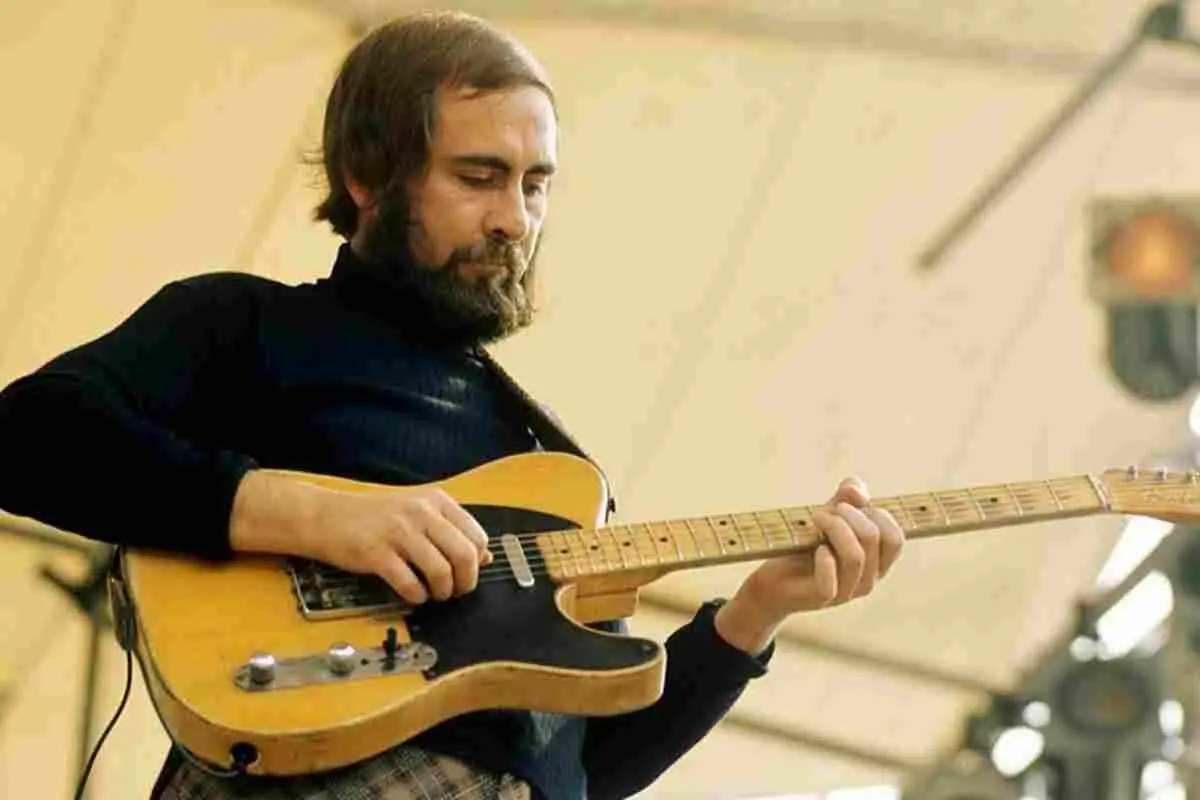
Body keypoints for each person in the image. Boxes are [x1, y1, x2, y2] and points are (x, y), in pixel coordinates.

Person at [0, 10, 905, 800]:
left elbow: (580, 768)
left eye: (536, 183)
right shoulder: (248, 324)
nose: (516, 219)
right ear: (368, 174)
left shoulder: (547, 456)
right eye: (479, 177)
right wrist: (313, 513)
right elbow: (28, 434)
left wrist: (755, 614)